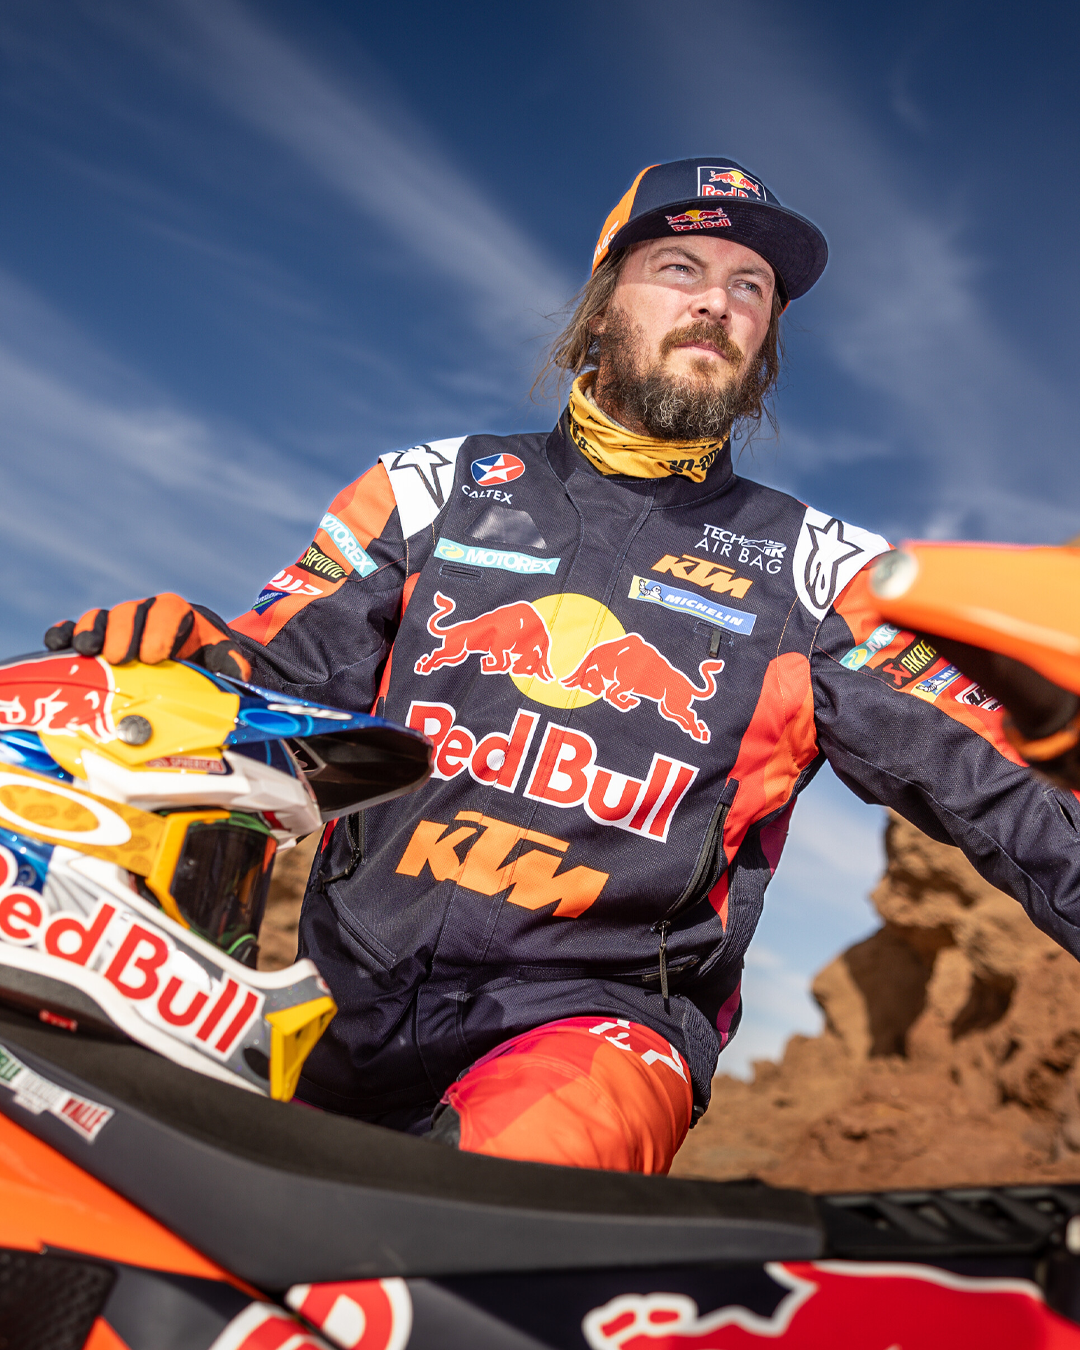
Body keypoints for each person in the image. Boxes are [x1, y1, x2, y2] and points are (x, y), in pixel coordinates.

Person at [45, 157, 1080, 1174]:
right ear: (599, 308)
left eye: (750, 288)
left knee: (444, 1231)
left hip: (600, 1033)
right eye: (680, 267)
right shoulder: (430, 490)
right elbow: (269, 689)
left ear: (764, 345)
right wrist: (181, 660)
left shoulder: (820, 577)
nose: (718, 302)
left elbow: (1021, 808)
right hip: (334, 1006)